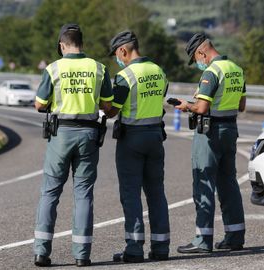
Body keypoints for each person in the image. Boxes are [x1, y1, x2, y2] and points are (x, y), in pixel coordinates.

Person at [33, 23, 113, 267]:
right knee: (84, 194)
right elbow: (108, 107)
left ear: (62, 45)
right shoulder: (99, 69)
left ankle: (41, 253)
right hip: (88, 134)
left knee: (50, 193)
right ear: (82, 43)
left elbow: (39, 104)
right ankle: (82, 256)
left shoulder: (53, 68)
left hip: (61, 134)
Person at [174, 32, 246, 253]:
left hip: (210, 132)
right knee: (229, 184)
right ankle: (234, 237)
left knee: (203, 182)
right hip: (230, 129)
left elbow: (202, 108)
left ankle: (202, 240)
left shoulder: (211, 72)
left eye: (196, 59)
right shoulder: (235, 69)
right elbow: (242, 106)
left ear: (201, 52)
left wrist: (187, 105)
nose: (197, 63)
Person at [105, 31, 170, 263]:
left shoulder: (125, 75)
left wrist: (102, 102)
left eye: (116, 54)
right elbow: (160, 96)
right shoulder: (158, 71)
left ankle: (134, 249)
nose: (117, 59)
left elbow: (113, 109)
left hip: (131, 138)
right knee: (156, 193)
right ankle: (161, 247)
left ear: (123, 50)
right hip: (155, 136)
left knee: (131, 194)